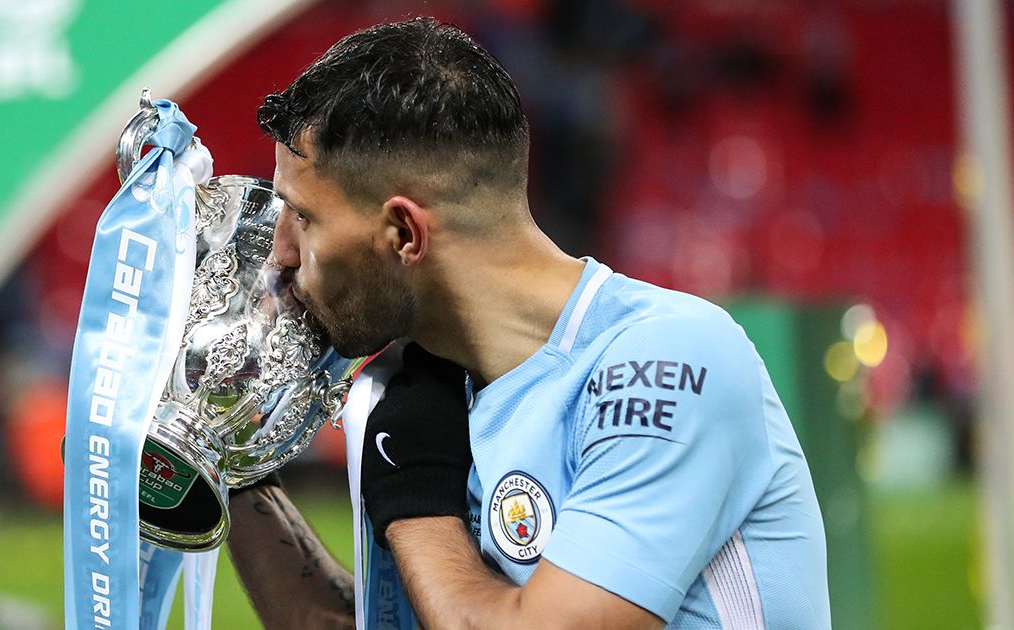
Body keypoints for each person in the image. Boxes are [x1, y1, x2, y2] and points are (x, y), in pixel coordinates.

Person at [225, 16, 830, 629]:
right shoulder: (441, 398)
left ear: (404, 233)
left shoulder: (668, 360)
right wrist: (210, 451)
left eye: (303, 217)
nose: (281, 253)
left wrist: (416, 505)